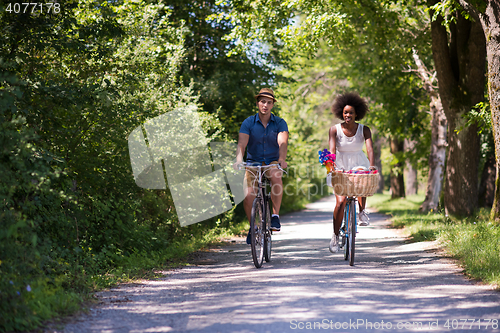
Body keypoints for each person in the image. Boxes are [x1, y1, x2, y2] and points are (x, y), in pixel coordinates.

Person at [234, 88, 289, 244]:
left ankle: (275, 216)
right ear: (258, 103)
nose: (265, 105)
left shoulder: (279, 122)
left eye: (269, 102)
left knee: (276, 178)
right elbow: (242, 143)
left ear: (272, 105)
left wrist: (281, 159)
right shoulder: (248, 122)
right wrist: (239, 159)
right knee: (248, 194)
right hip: (253, 162)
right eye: (262, 101)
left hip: (272, 161)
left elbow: (282, 142)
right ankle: (253, 227)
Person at [328, 92, 375, 253]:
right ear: (341, 113)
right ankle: (335, 235)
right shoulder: (334, 130)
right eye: (345, 112)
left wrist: (372, 165)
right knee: (340, 202)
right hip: (340, 164)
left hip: (359, 162)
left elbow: (369, 148)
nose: (348, 115)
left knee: (363, 178)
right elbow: (332, 150)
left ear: (357, 114)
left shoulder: (364, 129)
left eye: (351, 113)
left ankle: (361, 212)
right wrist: (332, 165)